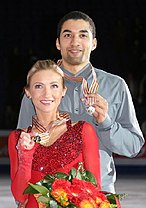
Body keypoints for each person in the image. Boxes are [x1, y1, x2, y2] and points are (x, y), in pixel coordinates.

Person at [17, 11, 145, 193]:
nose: (75, 42)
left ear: (94, 43)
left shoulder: (115, 86)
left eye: (83, 35)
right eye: (67, 35)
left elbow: (133, 147)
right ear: (57, 43)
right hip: (48, 194)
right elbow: (21, 148)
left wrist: (106, 123)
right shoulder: (39, 87)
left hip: (99, 194)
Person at [8, 59, 101, 208]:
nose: (47, 93)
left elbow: (94, 189)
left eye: (54, 86)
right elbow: (20, 196)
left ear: (63, 91)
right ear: (28, 92)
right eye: (39, 86)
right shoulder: (18, 138)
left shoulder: (83, 131)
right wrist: (25, 155)